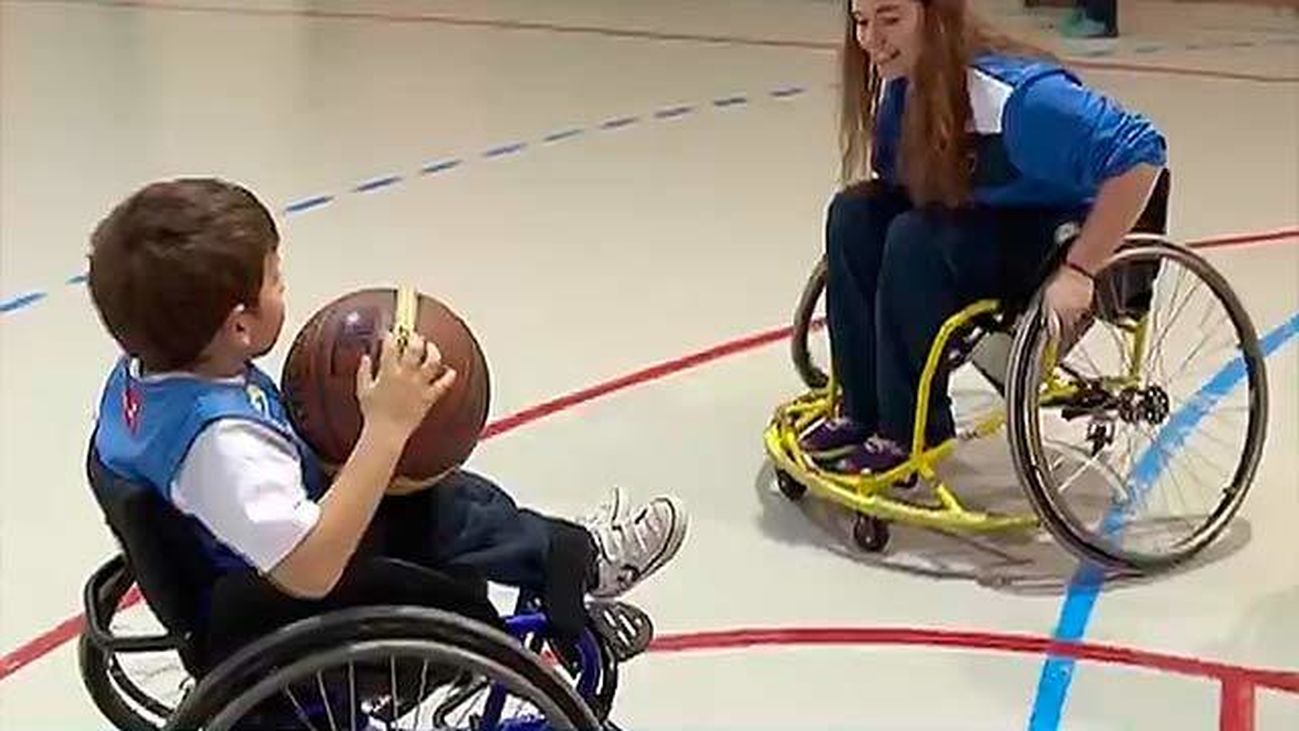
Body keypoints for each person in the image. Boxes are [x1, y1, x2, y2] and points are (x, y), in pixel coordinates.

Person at [86, 178, 688, 635]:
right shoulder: (221, 448)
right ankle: (579, 568)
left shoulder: (151, 373)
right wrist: (385, 427)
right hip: (285, 593)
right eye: (275, 278)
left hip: (238, 559)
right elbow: (310, 568)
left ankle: (559, 550)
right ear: (240, 327)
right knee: (443, 510)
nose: (283, 287)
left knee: (451, 492)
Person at [800, 0, 1165, 474]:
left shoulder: (1019, 99)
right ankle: (861, 407)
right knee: (854, 214)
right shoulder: (902, 90)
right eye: (861, 22)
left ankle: (909, 433)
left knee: (915, 239)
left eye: (889, 20)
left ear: (936, 17)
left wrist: (1080, 268)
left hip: (1062, 230)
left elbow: (1143, 151)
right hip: (989, 217)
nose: (870, 39)